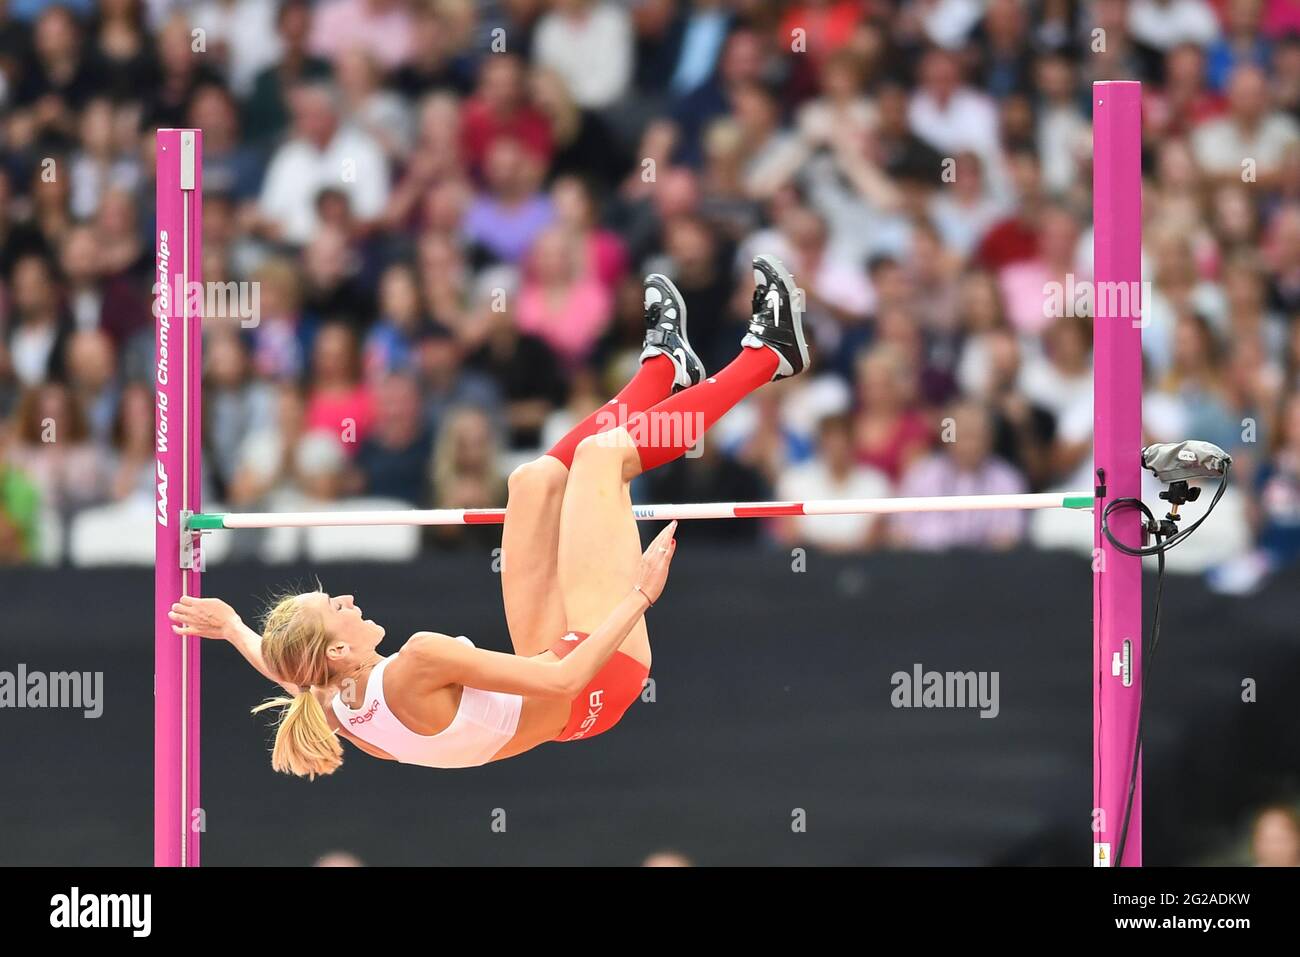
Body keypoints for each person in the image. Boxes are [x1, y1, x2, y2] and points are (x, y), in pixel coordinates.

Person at [168, 257, 809, 776]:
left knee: (531, 482)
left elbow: (284, 664)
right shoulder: (414, 660)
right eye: (334, 604)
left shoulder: (333, 702)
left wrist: (231, 626)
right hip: (593, 678)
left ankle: (665, 369)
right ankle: (768, 357)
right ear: (337, 646)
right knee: (600, 457)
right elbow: (562, 677)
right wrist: (639, 596)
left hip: (548, 677)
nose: (347, 596)